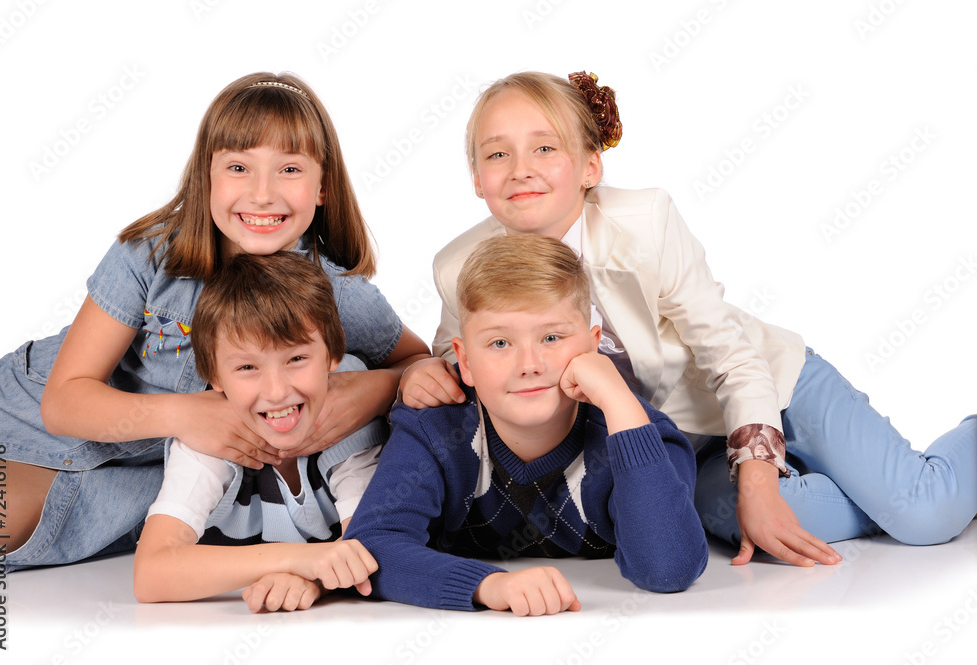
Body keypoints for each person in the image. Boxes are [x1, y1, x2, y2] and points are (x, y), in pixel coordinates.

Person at [399, 70, 977, 567]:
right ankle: (837, 485)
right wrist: (423, 369)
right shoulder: (459, 265)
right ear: (477, 178)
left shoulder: (645, 223)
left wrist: (755, 473)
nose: (520, 169)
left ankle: (879, 475)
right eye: (497, 153)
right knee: (763, 533)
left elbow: (729, 352)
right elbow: (465, 359)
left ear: (590, 166)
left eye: (545, 148)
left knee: (924, 514)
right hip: (684, 442)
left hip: (768, 385)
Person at [0, 72, 430, 574]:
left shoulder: (336, 293)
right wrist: (186, 414)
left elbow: (418, 362)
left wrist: (369, 390)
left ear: (322, 187)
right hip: (22, 412)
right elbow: (63, 401)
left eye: (289, 169)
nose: (262, 194)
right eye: (239, 167)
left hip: (130, 480)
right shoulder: (150, 256)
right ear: (207, 178)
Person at [346, 235, 708, 615]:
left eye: (551, 337)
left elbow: (670, 569)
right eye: (500, 343)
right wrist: (487, 585)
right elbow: (372, 548)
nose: (529, 364)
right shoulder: (436, 424)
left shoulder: (637, 431)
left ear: (592, 346)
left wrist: (619, 401)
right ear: (464, 361)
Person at [134, 251, 379, 613]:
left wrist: (312, 581)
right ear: (213, 376)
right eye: (248, 366)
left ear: (332, 354)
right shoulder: (211, 432)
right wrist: (299, 561)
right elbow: (151, 573)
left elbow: (369, 547)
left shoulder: (347, 409)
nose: (277, 391)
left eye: (296, 359)